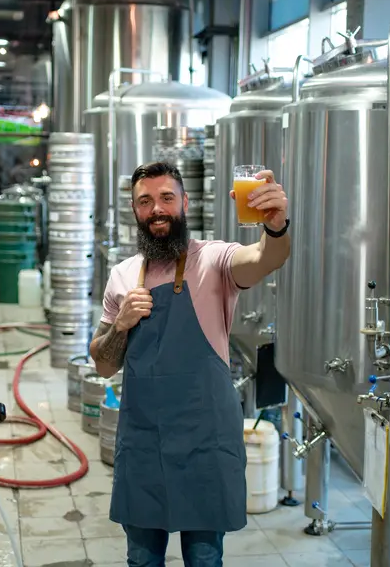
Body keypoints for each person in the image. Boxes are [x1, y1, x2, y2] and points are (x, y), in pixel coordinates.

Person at [89, 161, 290, 567]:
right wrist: (122, 325)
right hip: (144, 442)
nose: (157, 208)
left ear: (185, 202)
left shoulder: (214, 260)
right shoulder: (123, 276)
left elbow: (264, 258)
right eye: (145, 201)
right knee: (142, 560)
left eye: (167, 198)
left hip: (204, 441)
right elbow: (104, 365)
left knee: (204, 559)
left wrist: (276, 226)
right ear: (135, 210)